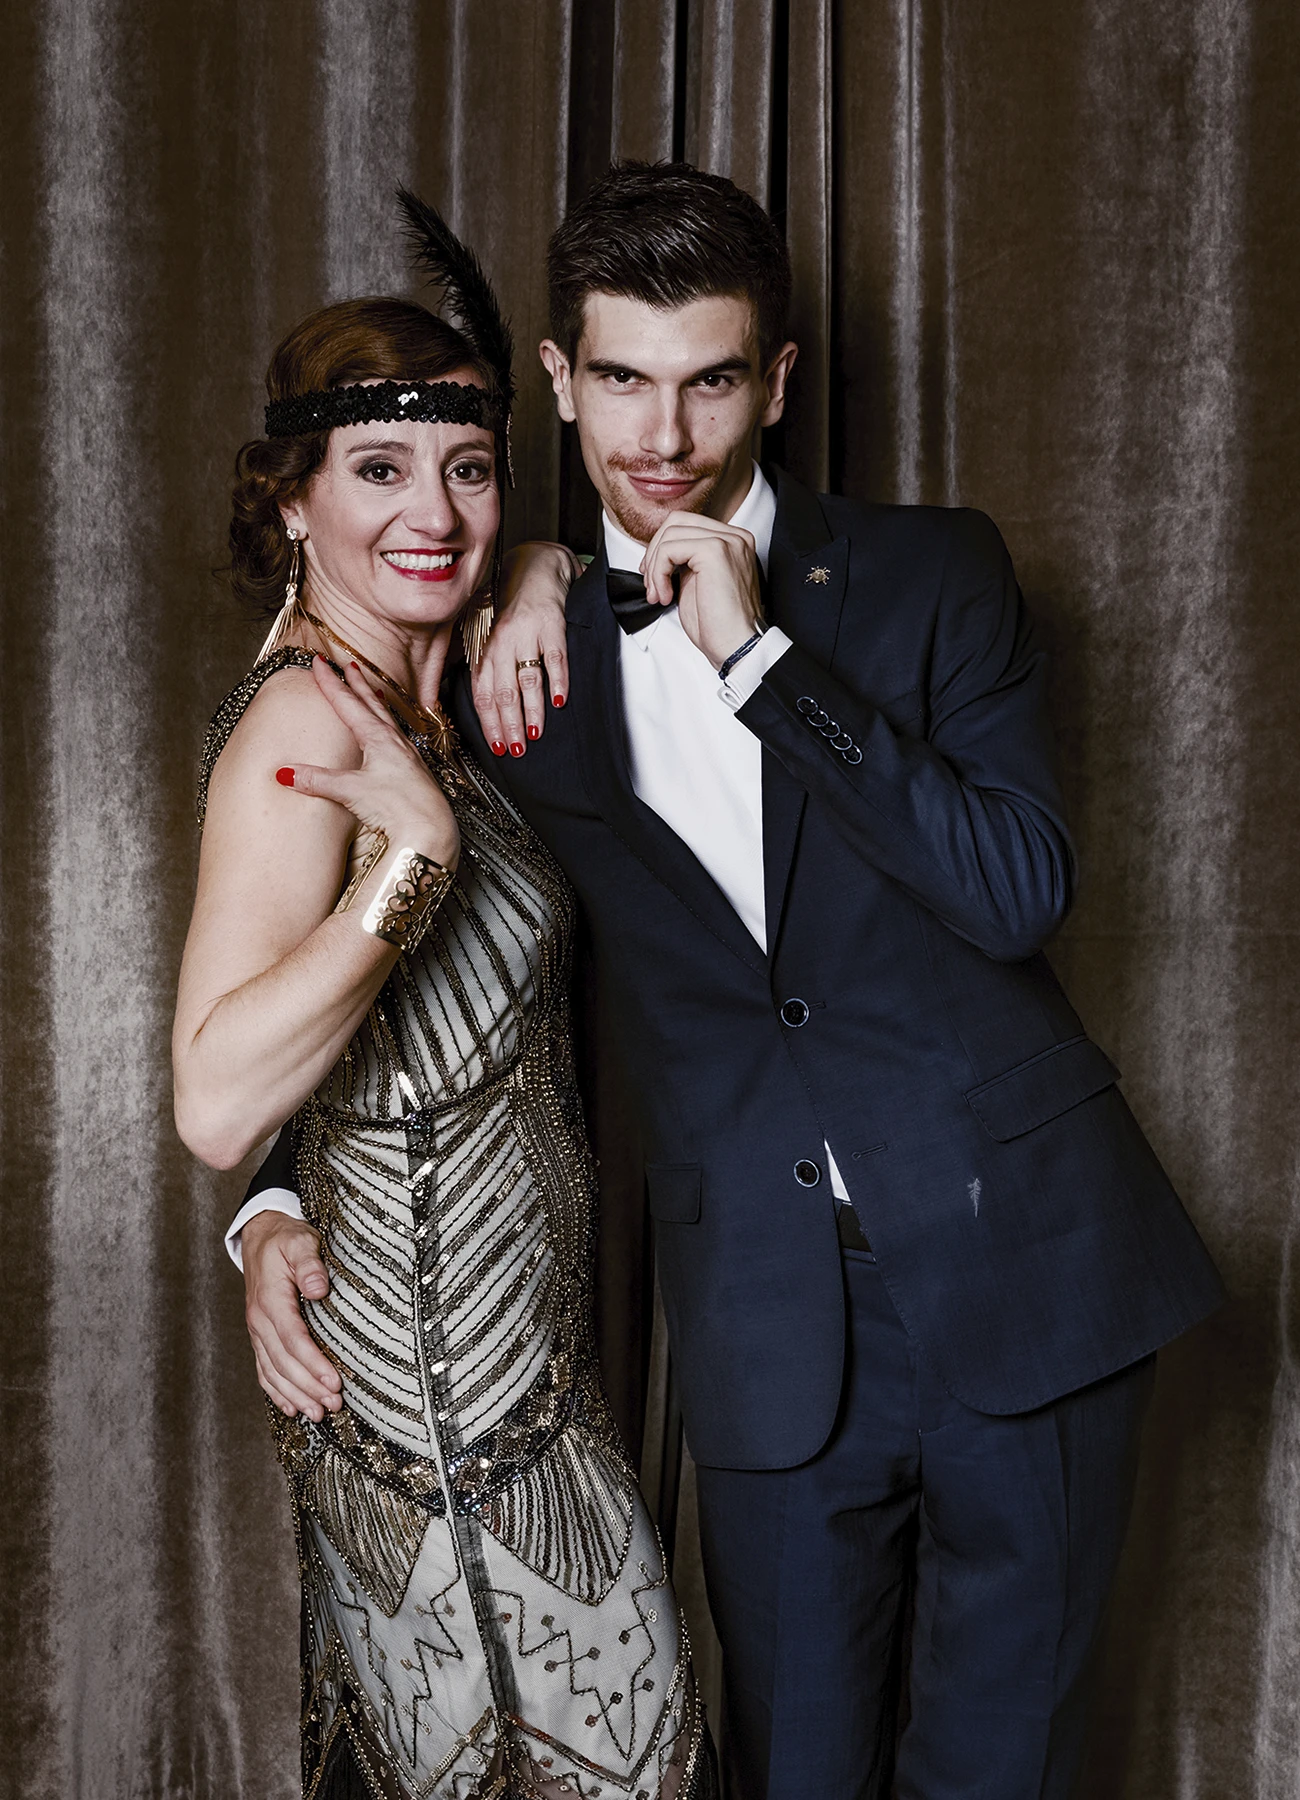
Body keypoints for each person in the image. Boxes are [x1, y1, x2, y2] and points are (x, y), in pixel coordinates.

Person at [237, 164, 1226, 1799]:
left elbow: (1014, 890)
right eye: (619, 377)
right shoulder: (509, 653)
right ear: (558, 381)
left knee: (1005, 1767)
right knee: (796, 1769)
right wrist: (270, 1201)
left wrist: (767, 665)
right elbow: (418, 963)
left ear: (775, 378)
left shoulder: (933, 575)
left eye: (709, 379)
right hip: (772, 1314)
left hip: (1026, 1273)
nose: (664, 433)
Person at [173, 200, 716, 1800]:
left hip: (522, 1384)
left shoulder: (432, 682)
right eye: (381, 471)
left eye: (469, 469)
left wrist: (543, 564)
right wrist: (405, 865)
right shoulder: (304, 729)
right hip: (435, 1418)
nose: (436, 510)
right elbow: (215, 1101)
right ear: (292, 503)